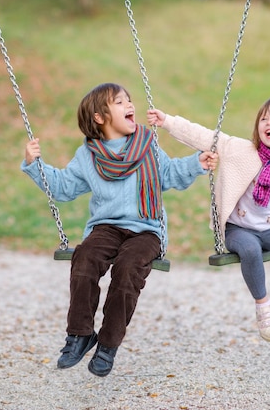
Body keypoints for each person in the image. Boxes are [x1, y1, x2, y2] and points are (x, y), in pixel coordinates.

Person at [21, 83, 218, 376]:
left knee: (127, 269)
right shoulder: (88, 155)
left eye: (129, 100)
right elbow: (62, 187)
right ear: (100, 117)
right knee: (85, 256)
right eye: (119, 102)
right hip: (106, 227)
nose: (129, 105)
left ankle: (108, 345)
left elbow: (168, 174)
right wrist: (33, 164)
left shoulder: (147, 144)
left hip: (146, 229)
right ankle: (79, 334)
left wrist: (196, 163)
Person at [147, 97, 270, 342]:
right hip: (238, 230)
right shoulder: (239, 150)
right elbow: (203, 136)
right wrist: (167, 121)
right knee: (250, 249)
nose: (268, 122)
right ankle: (264, 310)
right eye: (263, 118)